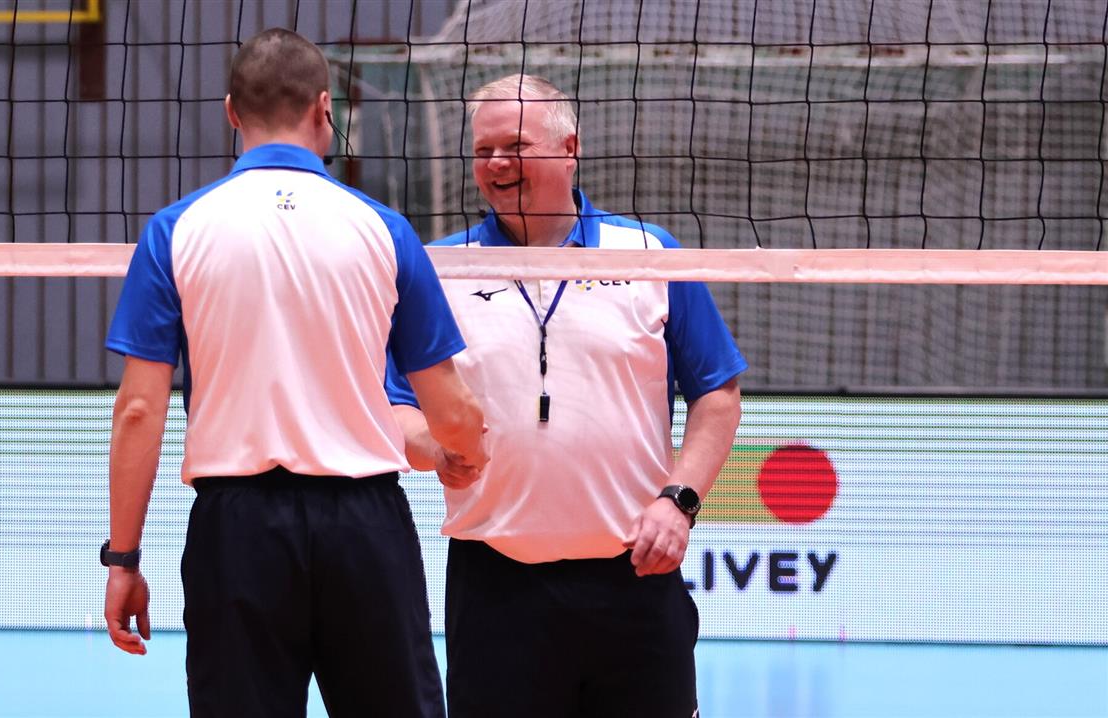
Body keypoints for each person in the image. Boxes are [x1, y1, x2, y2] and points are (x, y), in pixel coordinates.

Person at [102, 28, 487, 718]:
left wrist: (123, 559)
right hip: (365, 527)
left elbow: (138, 410)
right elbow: (450, 407)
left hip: (236, 529)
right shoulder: (384, 229)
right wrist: (466, 448)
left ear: (231, 112)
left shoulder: (175, 230)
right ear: (323, 109)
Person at [387, 74, 746, 718]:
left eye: (515, 146)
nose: (496, 164)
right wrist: (429, 449)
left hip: (634, 580)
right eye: (483, 150)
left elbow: (717, 393)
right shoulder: (440, 266)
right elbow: (396, 402)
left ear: (569, 148)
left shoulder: (649, 254)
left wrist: (680, 501)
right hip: (495, 584)